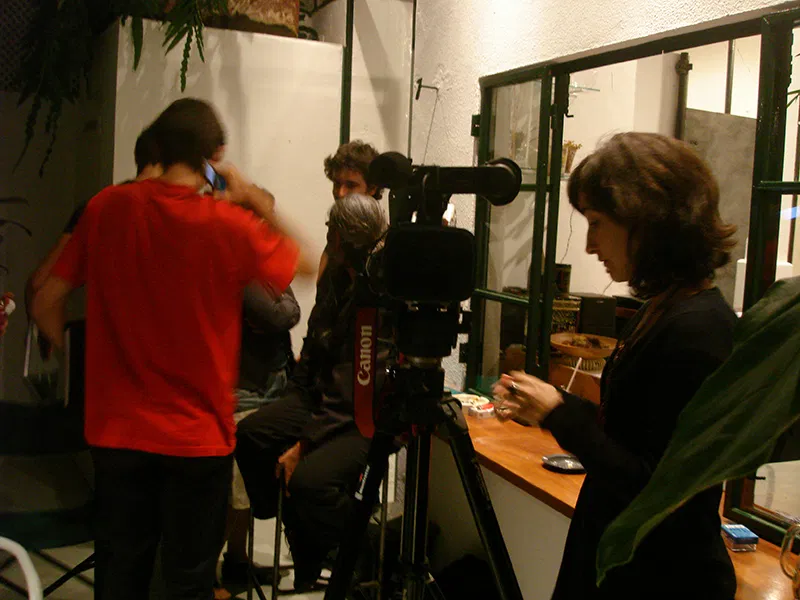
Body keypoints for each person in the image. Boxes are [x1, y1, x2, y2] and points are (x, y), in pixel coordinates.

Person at [31, 97, 313, 600]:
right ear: (214, 156)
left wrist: (75, 358)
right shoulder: (227, 225)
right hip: (196, 438)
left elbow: (46, 300)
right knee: (188, 581)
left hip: (117, 434)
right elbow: (309, 264)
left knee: (120, 576)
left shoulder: (107, 207)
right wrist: (251, 197)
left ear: (157, 147)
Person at [492, 133, 738, 599]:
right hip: (622, 559)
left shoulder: (699, 329)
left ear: (648, 219)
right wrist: (554, 403)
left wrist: (559, 414)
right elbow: (628, 430)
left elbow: (657, 488)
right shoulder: (661, 309)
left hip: (660, 578)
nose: (589, 245)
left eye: (597, 223)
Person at [236, 192, 390, 592]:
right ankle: (304, 539)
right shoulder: (336, 277)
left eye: (330, 230)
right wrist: (295, 395)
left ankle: (367, 546)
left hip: (361, 415)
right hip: (321, 398)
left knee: (308, 481)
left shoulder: (378, 294)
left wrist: (303, 445)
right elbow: (315, 341)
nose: (325, 236)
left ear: (341, 238)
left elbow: (353, 384)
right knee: (253, 436)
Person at [217, 282, 301, 596]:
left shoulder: (264, 268)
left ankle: (237, 561)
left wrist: (283, 303)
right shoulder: (246, 269)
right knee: (235, 493)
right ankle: (206, 579)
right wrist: (284, 303)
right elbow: (277, 314)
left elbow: (281, 310)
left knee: (245, 489)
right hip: (246, 391)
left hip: (262, 388)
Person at [318, 140, 381, 278]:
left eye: (351, 185)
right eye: (337, 184)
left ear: (372, 188)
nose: (340, 193)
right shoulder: (337, 227)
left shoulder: (380, 240)